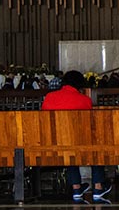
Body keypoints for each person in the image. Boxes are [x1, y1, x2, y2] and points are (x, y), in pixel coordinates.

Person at [42, 71, 110, 201]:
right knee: (96, 146)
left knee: (69, 148)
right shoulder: (84, 100)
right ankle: (98, 187)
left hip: (53, 142)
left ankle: (76, 188)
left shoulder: (49, 97)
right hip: (79, 142)